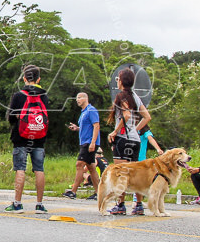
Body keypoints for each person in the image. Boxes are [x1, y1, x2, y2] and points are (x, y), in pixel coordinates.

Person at [105, 68, 151, 215]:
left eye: (118, 79)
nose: (116, 81)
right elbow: (147, 117)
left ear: (122, 81)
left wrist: (115, 131)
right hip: (135, 140)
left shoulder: (121, 96)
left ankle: (120, 204)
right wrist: (135, 130)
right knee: (134, 173)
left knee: (121, 173)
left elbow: (126, 115)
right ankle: (138, 205)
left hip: (123, 139)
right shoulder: (136, 97)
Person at [6, 65, 48, 213]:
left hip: (21, 136)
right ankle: (39, 204)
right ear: (38, 79)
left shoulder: (19, 95)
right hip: (39, 137)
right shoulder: (44, 95)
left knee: (20, 168)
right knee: (39, 169)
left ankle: (17, 203)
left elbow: (11, 118)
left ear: (24, 78)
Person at [63, 92, 101, 201]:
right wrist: (77, 128)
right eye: (76, 98)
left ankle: (73, 191)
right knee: (91, 168)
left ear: (85, 98)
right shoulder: (83, 112)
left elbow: (96, 126)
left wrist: (93, 142)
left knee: (79, 164)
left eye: (79, 98)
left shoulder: (91, 110)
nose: (77, 100)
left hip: (89, 142)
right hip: (84, 141)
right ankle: (99, 193)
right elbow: (86, 127)